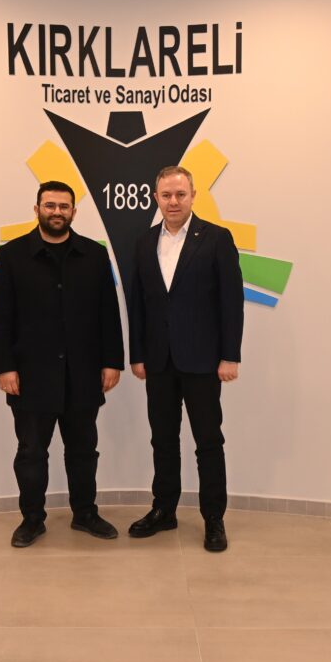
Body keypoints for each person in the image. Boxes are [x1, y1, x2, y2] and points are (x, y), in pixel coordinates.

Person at [0, 180, 124, 547]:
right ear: (37, 210)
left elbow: (108, 313)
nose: (57, 212)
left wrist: (112, 361)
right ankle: (32, 519)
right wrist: (4, 366)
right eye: (50, 205)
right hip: (30, 375)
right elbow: (1, 316)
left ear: (74, 212)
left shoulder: (94, 255)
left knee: (84, 451)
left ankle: (86, 514)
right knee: (31, 453)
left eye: (64, 206)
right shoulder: (12, 255)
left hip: (83, 373)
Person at [128, 166, 244, 552]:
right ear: (156, 198)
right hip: (158, 362)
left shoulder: (217, 238)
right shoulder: (144, 242)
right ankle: (164, 510)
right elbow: (138, 304)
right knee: (163, 439)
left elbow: (231, 302)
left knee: (208, 441)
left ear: (193, 195)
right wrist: (138, 354)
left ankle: (214, 518)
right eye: (166, 195)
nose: (173, 201)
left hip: (203, 362)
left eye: (180, 194)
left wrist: (229, 356)